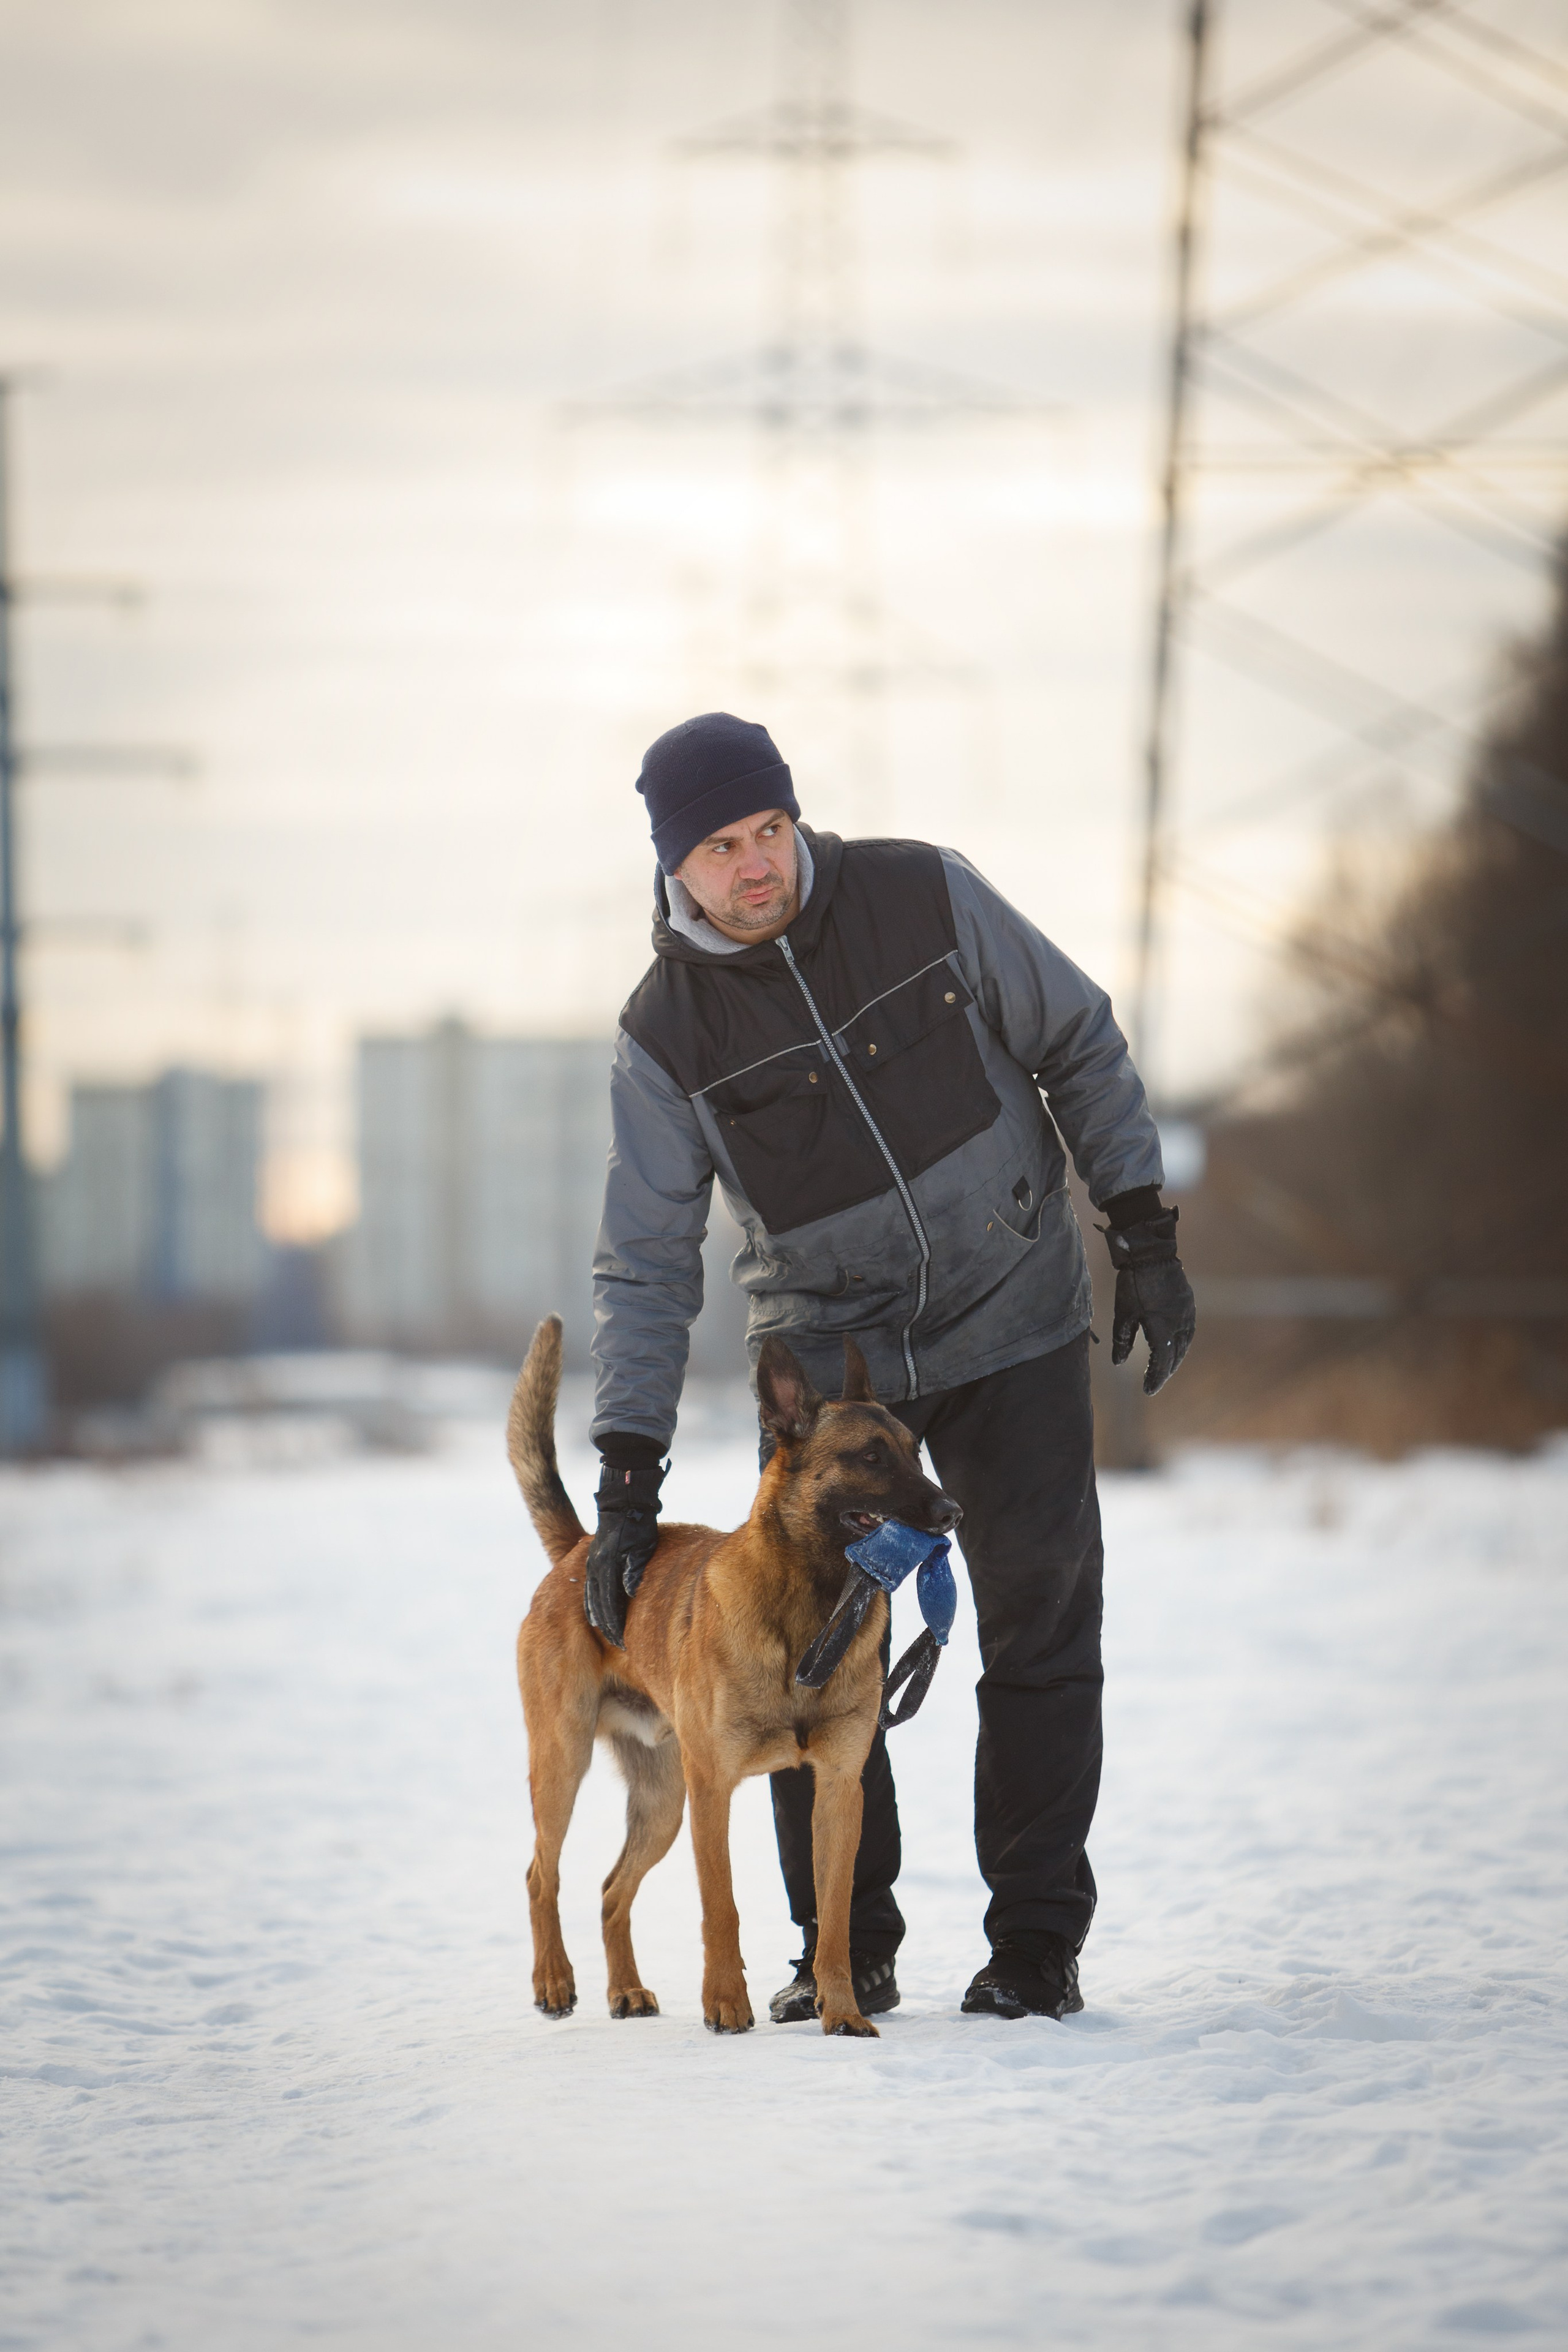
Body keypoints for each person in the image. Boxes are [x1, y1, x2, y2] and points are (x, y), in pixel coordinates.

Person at [584, 712, 1196, 2021]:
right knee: (805, 1654)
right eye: (718, 849)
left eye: (768, 830)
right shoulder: (663, 1032)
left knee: (1039, 1623)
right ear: (671, 868)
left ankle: (1033, 1946)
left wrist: (1136, 1223)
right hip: (827, 1374)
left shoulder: (923, 894)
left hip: (1014, 1317)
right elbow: (644, 1260)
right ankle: (843, 1945)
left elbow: (1076, 1038)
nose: (756, 867)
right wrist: (627, 1472)